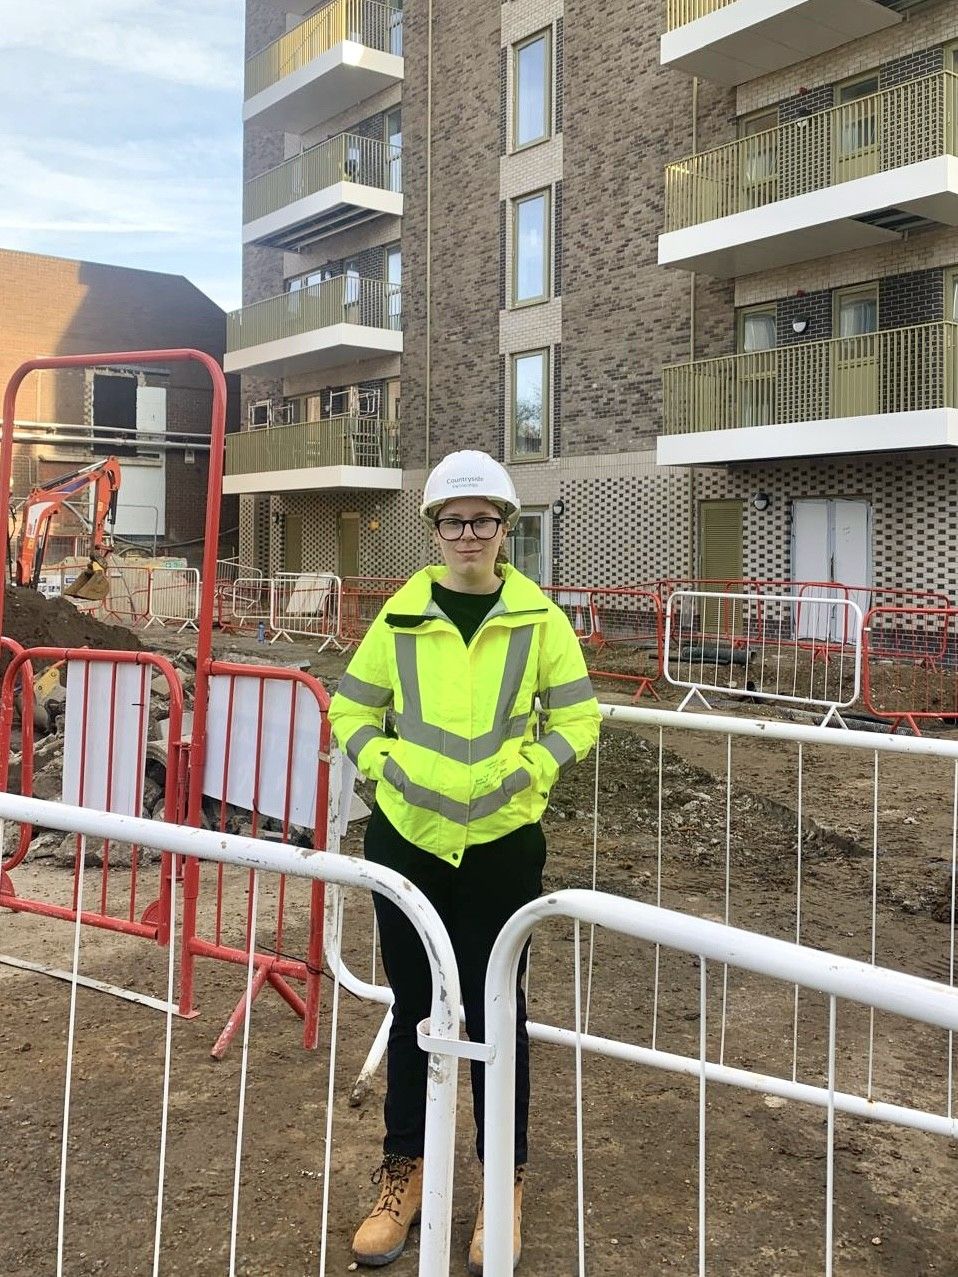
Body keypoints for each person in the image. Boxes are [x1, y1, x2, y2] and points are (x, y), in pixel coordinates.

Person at [328, 449, 600, 1272]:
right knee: (416, 1010)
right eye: (454, 520)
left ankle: (499, 1187)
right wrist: (383, 766)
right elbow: (350, 707)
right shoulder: (401, 616)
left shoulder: (539, 618)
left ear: (505, 529)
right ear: (435, 530)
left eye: (483, 519)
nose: (468, 534)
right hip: (407, 842)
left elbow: (580, 717)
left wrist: (534, 767)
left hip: (501, 848)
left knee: (496, 1017)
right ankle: (403, 1175)